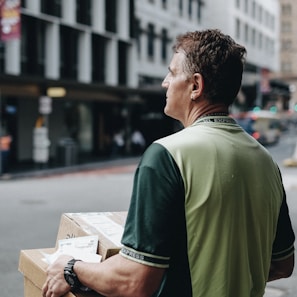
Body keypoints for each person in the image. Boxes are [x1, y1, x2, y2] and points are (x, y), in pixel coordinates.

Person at [42, 29, 295, 297]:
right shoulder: (265, 161)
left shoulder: (166, 154)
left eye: (172, 73)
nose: (165, 82)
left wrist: (70, 268)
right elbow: (282, 263)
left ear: (196, 86)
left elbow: (135, 282)